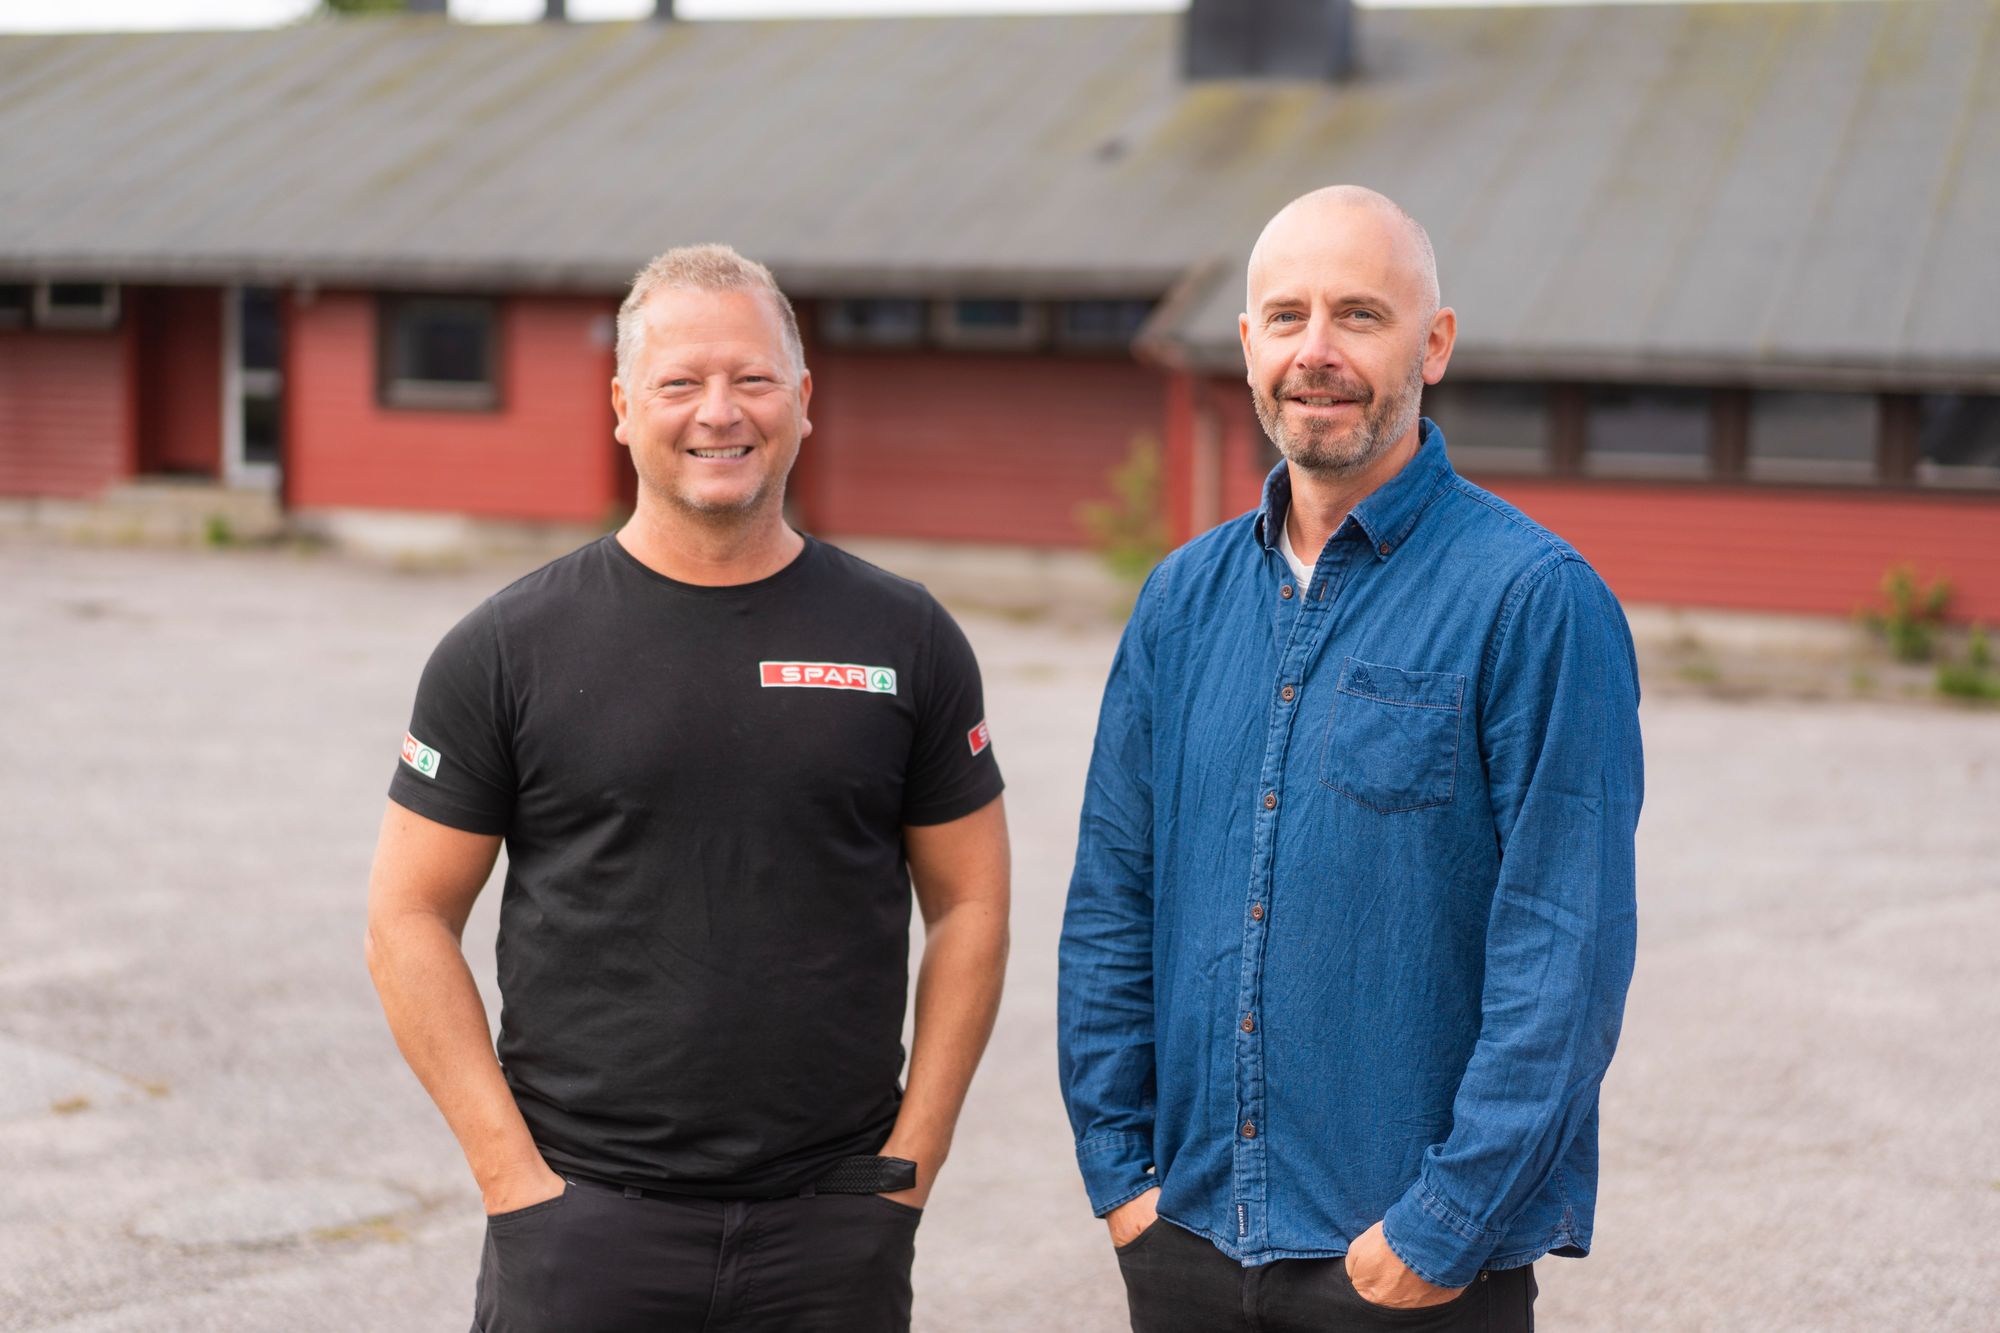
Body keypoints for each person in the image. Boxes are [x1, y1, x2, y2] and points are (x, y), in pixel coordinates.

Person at [365, 244, 1010, 1333]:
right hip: (584, 1229)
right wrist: (512, 1182)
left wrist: (910, 1164)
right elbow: (405, 916)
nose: (721, 412)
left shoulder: (903, 637)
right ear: (621, 407)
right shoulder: (505, 649)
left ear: (803, 402)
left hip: (830, 1232)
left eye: (753, 379)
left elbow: (971, 904)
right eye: (679, 383)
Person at [1057, 185, 1643, 1332]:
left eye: (1357, 316)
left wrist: (1438, 1231)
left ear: (1433, 344)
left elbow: (1561, 953)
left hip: (1405, 1279)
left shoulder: (1532, 600)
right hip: (1182, 1243)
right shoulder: (1180, 600)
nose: (1313, 352)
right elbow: (1110, 899)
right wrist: (1120, 1176)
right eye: (1285, 317)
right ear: (1244, 348)